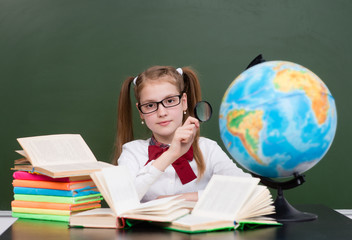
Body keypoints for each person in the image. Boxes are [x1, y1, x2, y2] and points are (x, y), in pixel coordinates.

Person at [113, 65, 250, 203]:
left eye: (170, 101)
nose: (162, 113)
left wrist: (179, 199)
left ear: (183, 102)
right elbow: (122, 200)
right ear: (141, 112)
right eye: (150, 105)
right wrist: (171, 154)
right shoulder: (132, 152)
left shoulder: (208, 149)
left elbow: (248, 188)